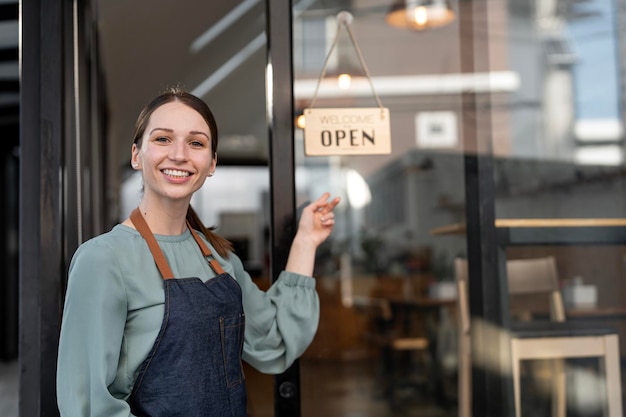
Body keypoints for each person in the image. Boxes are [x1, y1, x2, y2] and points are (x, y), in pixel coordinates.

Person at [56, 87, 340, 417]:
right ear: (137, 155)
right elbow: (87, 407)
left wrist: (306, 241)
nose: (179, 154)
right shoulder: (103, 260)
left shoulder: (220, 260)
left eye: (196, 143)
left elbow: (273, 340)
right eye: (163, 139)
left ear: (211, 163)